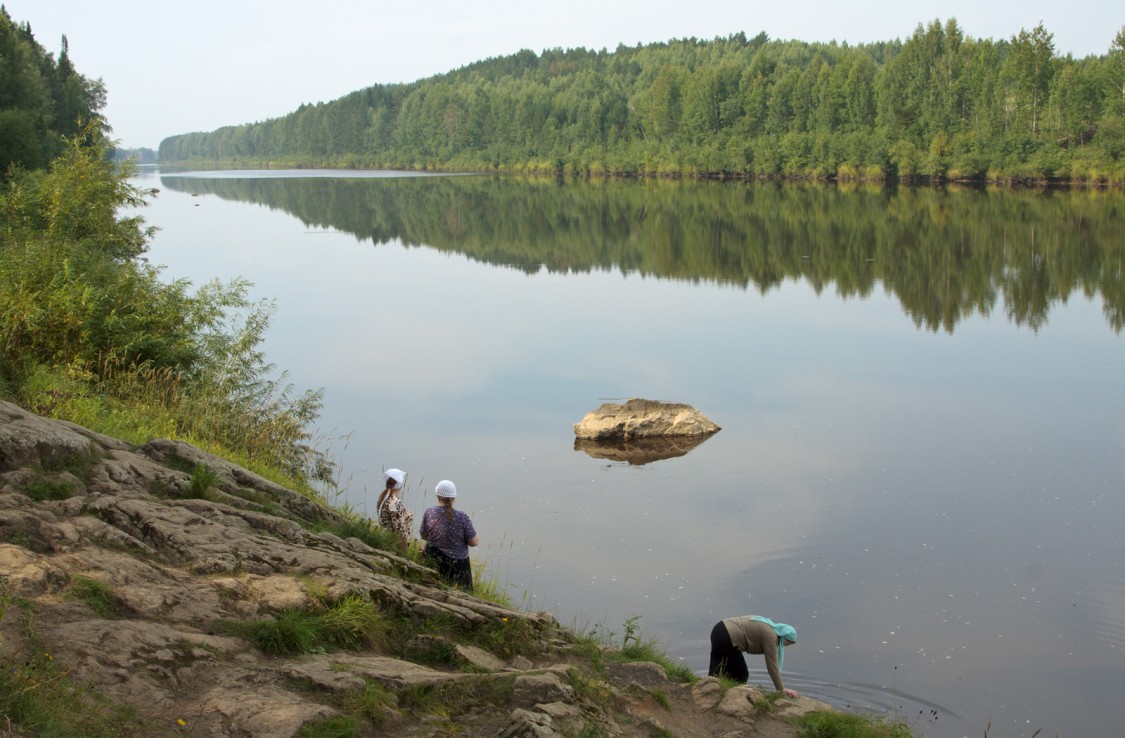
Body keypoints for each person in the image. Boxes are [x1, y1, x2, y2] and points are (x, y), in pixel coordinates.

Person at [708, 615, 799, 698]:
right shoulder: (771, 636)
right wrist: (782, 689)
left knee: (719, 666)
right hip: (728, 636)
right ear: (783, 637)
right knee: (741, 674)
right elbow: (772, 666)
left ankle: (709, 689)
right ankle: (734, 698)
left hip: (719, 629)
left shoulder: (768, 625)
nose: (785, 645)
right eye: (787, 642)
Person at [418, 479, 478, 590]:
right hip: (458, 565)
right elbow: (473, 542)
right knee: (462, 595)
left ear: (437, 495)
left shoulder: (429, 512)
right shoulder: (462, 516)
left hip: (434, 560)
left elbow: (423, 535)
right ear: (453, 497)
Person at [376, 468, 412, 552]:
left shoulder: (384, 499)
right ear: (400, 485)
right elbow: (400, 531)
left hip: (387, 542)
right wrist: (405, 555)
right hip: (394, 547)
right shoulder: (394, 503)